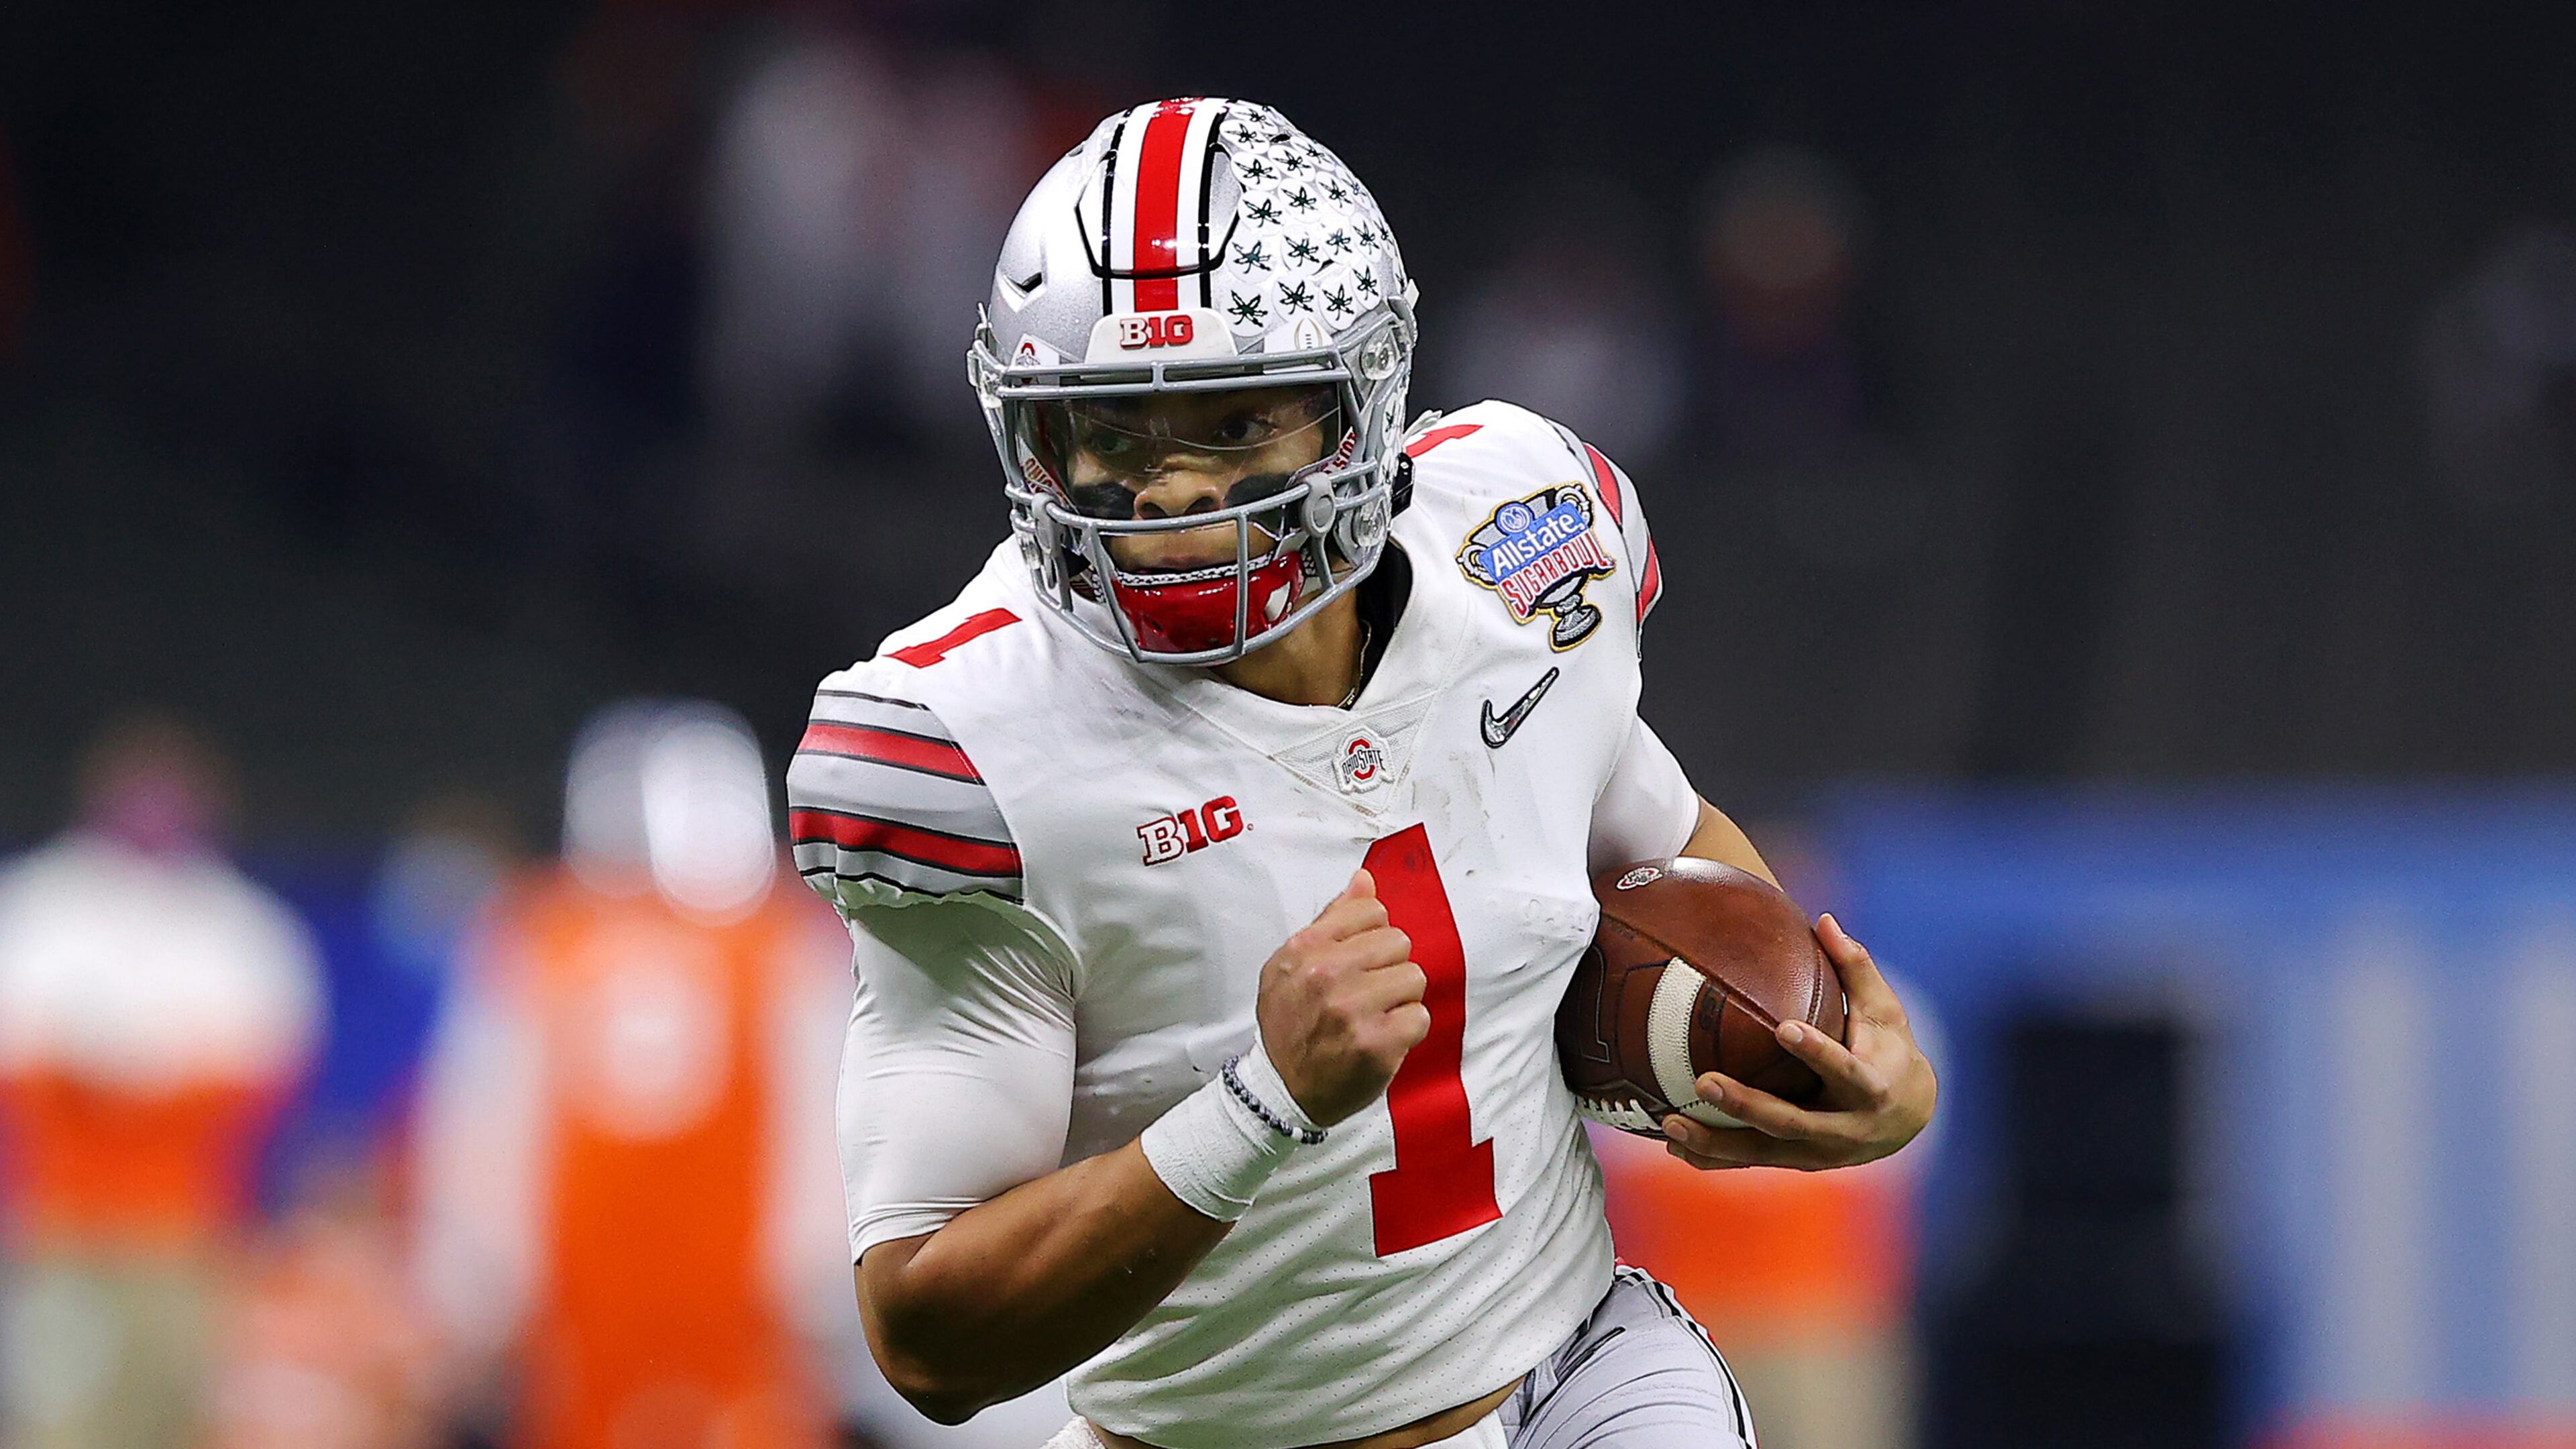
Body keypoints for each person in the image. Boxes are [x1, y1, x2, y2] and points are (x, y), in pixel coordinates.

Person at [786, 99, 1938, 1449]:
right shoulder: (965, 743)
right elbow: (926, 1335)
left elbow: (1665, 847)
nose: (1163, 493)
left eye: (1230, 423)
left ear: (1360, 407)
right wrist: (1260, 1104)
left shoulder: (1522, 541)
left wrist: (1835, 1060)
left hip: (1578, 1376)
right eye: (1110, 433)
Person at [411, 702, 851, 1449]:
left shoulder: (538, 932)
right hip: (736, 1297)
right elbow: (836, 1118)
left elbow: (483, 1124)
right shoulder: (787, 938)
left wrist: (476, 1280)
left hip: (588, 1296)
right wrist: (830, 1277)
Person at [0, 716, 323, 1449]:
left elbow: (271, 1072)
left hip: (189, 1231)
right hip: (59, 1229)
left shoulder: (241, 926)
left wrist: (140, 1087)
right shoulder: (38, 906)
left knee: (183, 1412)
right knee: (60, 1420)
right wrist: (104, 1081)